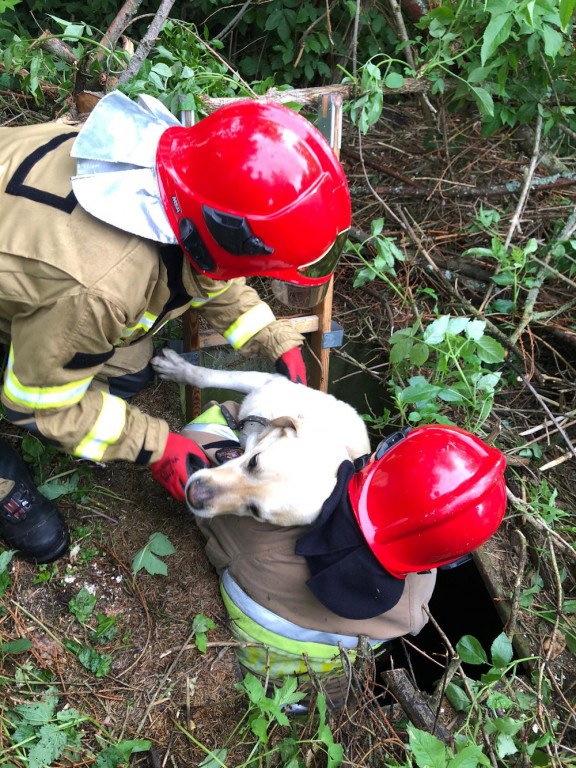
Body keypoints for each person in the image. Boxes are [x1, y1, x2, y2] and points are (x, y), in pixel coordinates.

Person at [0, 91, 351, 563]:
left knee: (128, 371)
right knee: (48, 396)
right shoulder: (101, 291)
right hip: (57, 276)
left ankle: (34, 331)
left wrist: (273, 339)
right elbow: (36, 402)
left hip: (28, 244)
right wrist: (156, 445)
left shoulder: (172, 172)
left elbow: (205, 268)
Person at [180, 405, 508, 709]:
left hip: (250, 678)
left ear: (376, 462)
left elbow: (200, 435)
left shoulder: (259, 535)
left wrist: (266, 436)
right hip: (324, 698)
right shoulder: (415, 606)